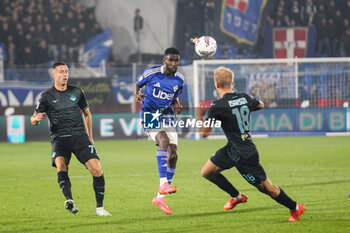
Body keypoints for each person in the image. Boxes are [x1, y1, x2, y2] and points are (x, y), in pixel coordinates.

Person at [196, 66, 305, 222]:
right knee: (207, 172)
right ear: (232, 82)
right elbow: (260, 105)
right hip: (233, 147)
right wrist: (241, 108)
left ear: (216, 84)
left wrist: (199, 115)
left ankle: (295, 207)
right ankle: (237, 196)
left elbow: (204, 133)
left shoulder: (217, 106)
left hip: (243, 154)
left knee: (267, 189)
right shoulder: (244, 97)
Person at [30, 62, 111, 216]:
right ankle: (69, 200)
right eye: (61, 72)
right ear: (54, 75)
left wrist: (90, 137)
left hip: (80, 137)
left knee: (97, 169)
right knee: (61, 165)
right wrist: (36, 119)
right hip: (60, 139)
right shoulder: (46, 97)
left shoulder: (77, 92)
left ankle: (100, 208)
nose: (65, 74)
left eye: (66, 71)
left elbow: (87, 113)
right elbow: (33, 119)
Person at [134, 47, 184, 215]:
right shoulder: (151, 73)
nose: (174, 63)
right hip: (150, 114)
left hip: (167, 115)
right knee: (163, 140)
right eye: (171, 60)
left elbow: (174, 95)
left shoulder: (180, 80)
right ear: (164, 60)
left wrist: (176, 104)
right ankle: (163, 183)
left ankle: (159, 197)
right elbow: (137, 84)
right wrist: (137, 94)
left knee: (174, 155)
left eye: (176, 60)